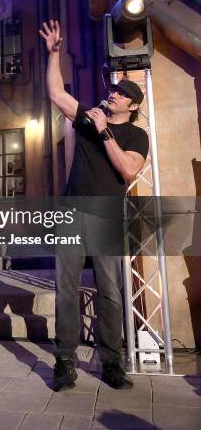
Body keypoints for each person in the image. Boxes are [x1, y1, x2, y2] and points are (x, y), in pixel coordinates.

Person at [39, 20, 149, 391]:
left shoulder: (135, 134)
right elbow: (56, 93)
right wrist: (53, 54)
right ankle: (65, 361)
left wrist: (104, 132)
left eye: (122, 94)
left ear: (132, 106)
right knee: (66, 286)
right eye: (114, 90)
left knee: (110, 290)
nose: (113, 94)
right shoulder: (88, 119)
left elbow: (128, 169)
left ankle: (112, 363)